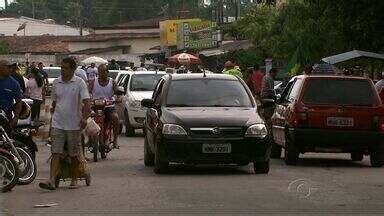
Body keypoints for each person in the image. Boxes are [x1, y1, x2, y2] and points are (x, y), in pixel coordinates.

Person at [39, 57, 91, 190]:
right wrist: (52, 115)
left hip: (74, 125)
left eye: (66, 68)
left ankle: (74, 179)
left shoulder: (79, 83)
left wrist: (85, 118)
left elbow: (87, 102)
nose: (63, 70)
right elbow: (55, 102)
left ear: (73, 69)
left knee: (74, 154)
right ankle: (51, 180)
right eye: (61, 67)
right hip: (58, 123)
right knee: (56, 152)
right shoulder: (56, 82)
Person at [91, 64, 120, 149]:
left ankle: (115, 140)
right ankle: (90, 139)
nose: (101, 74)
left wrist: (118, 98)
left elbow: (117, 93)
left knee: (115, 118)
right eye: (99, 72)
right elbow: (88, 92)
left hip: (109, 107)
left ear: (107, 72)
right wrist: (88, 100)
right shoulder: (93, 82)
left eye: (103, 71)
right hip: (95, 107)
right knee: (87, 119)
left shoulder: (112, 82)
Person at [0, 60, 23, 127]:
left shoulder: (14, 83)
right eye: (8, 67)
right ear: (0, 67)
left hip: (6, 118)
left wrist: (16, 117)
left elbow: (19, 101)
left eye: (11, 67)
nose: (11, 69)